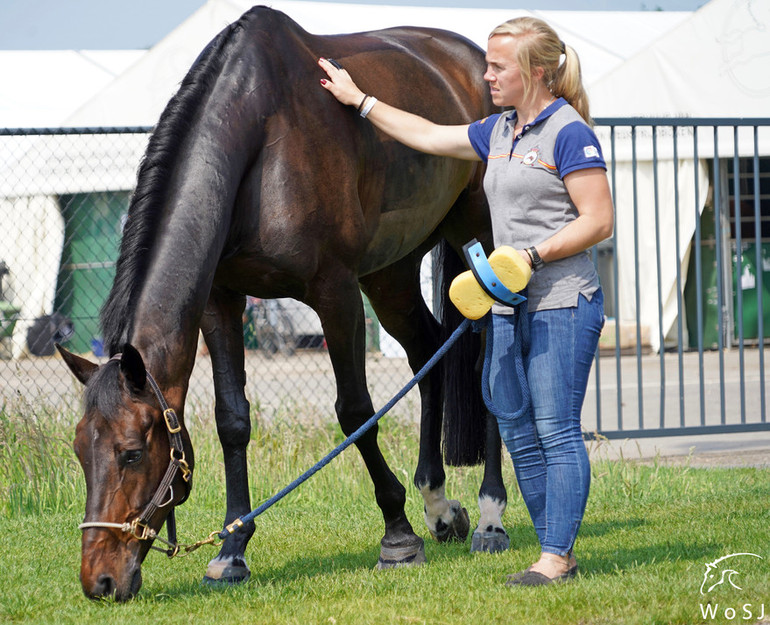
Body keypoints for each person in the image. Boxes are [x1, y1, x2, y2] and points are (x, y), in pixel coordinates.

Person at [319, 16, 614, 586]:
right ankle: (558, 553)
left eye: (497, 67)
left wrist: (532, 255)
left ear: (535, 72)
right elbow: (429, 135)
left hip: (560, 300)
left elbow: (599, 219)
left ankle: (555, 555)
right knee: (518, 426)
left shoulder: (568, 132)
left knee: (554, 430)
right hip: (506, 304)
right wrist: (361, 102)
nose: (486, 75)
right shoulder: (498, 131)